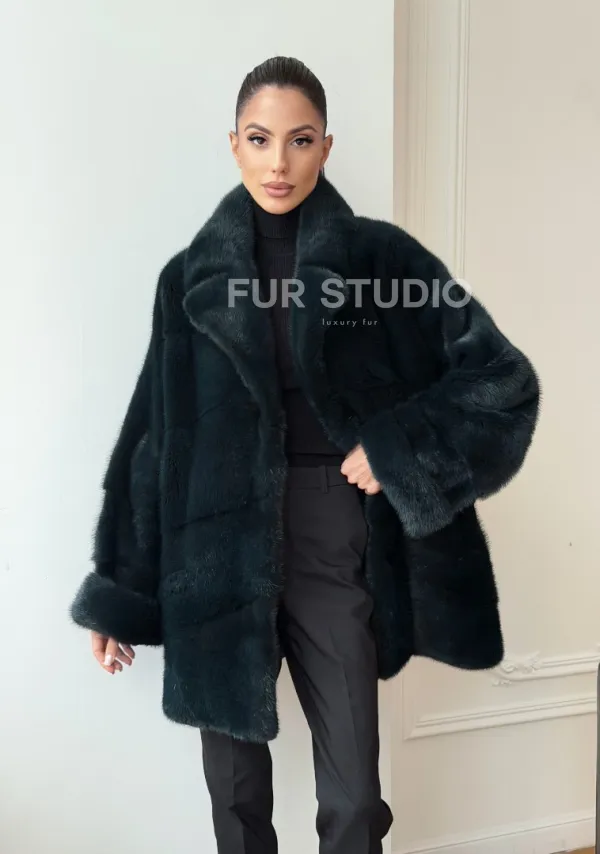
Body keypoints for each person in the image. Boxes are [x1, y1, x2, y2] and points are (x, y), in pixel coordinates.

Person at [69, 56, 541, 853]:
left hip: (333, 535)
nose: (279, 162)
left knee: (354, 797)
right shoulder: (187, 281)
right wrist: (120, 590)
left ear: (326, 145)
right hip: (214, 551)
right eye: (260, 139)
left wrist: (396, 450)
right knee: (236, 804)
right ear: (234, 145)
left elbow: (502, 378)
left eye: (300, 139)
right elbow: (154, 437)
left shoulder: (384, 264)